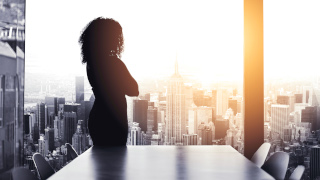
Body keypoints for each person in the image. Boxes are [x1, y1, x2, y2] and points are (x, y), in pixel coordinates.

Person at [79, 17, 139, 146]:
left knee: (102, 162)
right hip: (114, 120)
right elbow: (134, 90)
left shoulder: (91, 62)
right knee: (116, 161)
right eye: (116, 36)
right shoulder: (114, 63)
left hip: (98, 117)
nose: (119, 40)